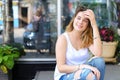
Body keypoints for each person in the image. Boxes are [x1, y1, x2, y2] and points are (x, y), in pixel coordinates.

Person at [54, 5, 105, 80]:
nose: (80, 22)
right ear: (74, 19)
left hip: (83, 71)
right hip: (64, 76)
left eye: (85, 21)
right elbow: (61, 67)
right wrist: (82, 67)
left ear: (88, 25)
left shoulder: (86, 38)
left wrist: (94, 24)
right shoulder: (63, 39)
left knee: (99, 61)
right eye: (79, 18)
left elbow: (98, 53)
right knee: (87, 74)